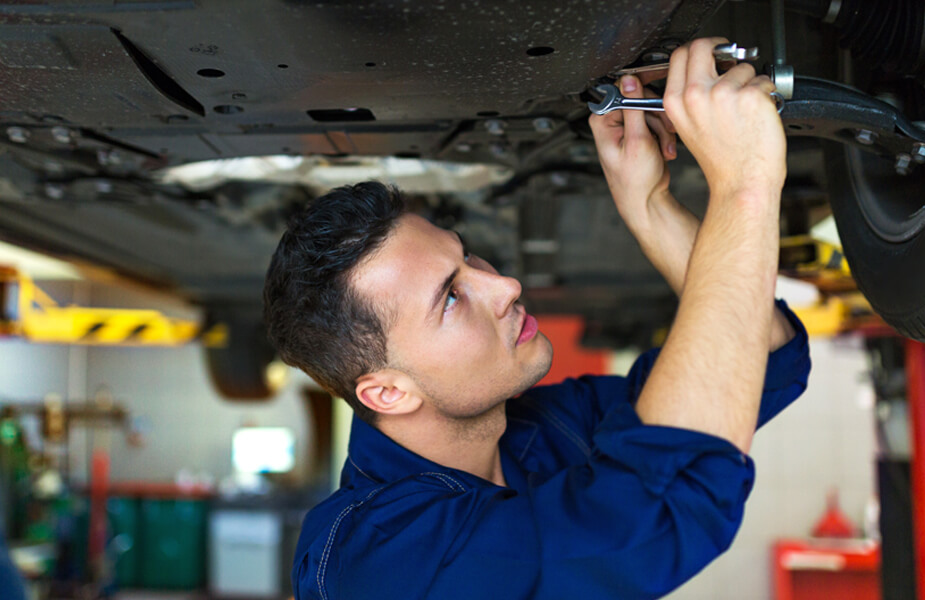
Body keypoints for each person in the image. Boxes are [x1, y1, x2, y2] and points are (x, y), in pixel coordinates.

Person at [264, 37, 811, 599]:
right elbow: (656, 512)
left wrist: (649, 208)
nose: (505, 285)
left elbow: (763, 355)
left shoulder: (544, 427)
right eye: (450, 297)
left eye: (467, 256)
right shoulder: (374, 560)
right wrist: (744, 185)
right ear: (387, 393)